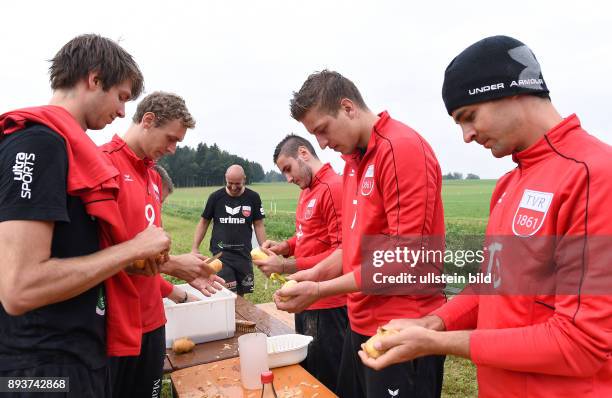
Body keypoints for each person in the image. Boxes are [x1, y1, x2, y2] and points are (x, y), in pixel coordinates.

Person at [359, 35, 612, 397]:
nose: (466, 136)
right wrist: (433, 322)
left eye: (470, 116)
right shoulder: (509, 183)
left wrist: (435, 343)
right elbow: (491, 287)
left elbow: (581, 343)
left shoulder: (594, 175)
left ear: (513, 91)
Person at [0, 34, 170, 397]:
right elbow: (20, 286)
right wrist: (132, 249)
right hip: (43, 367)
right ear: (94, 79)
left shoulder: (64, 146)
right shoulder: (37, 143)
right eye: (121, 97)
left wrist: (125, 263)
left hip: (75, 356)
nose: (123, 112)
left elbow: (67, 254)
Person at [275, 70, 446, 398]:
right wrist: (310, 273)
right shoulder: (354, 160)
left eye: (322, 130)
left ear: (348, 107)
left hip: (402, 326)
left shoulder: (400, 148)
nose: (322, 143)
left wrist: (321, 289)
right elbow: (352, 248)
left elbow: (405, 259)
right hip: (362, 321)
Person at [101, 91, 224, 398]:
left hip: (153, 321)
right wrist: (173, 265)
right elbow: (97, 253)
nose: (172, 149)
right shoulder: (102, 165)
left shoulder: (153, 177)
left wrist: (181, 269)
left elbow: (149, 249)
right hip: (115, 326)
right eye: (170, 139)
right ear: (147, 120)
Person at [254, 134, 348, 391]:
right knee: (310, 369)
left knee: (328, 377)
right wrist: (284, 247)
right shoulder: (308, 190)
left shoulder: (333, 187)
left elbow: (342, 251)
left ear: (304, 154)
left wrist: (285, 267)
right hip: (305, 295)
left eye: (288, 169)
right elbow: (305, 234)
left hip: (329, 303)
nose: (288, 178)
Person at [192, 165, 266, 295]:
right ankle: (228, 314)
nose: (233, 187)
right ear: (225, 179)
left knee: (241, 295)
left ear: (244, 179)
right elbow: (204, 222)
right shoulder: (216, 197)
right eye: (230, 183)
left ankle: (235, 316)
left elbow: (259, 225)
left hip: (244, 254)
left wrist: (265, 250)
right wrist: (195, 247)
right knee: (228, 293)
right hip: (221, 255)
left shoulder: (253, 197)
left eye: (237, 183)